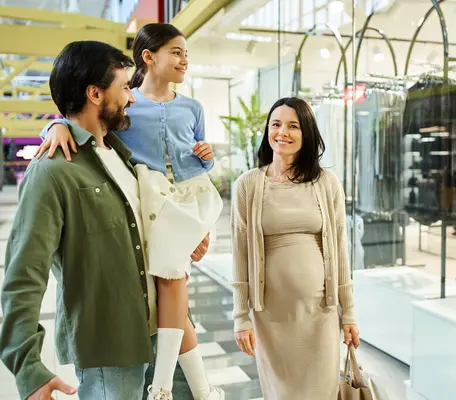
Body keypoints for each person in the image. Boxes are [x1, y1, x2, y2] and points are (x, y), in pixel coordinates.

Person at [0, 41, 210, 400]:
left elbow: (142, 226)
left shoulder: (120, 154)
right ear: (95, 93)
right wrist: (28, 367)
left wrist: (183, 239)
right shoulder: (51, 172)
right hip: (110, 349)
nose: (131, 98)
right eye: (125, 87)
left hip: (162, 331)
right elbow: (23, 276)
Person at [231, 97, 360, 399]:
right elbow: (240, 252)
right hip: (271, 317)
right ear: (267, 131)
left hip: (320, 312)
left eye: (293, 126)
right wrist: (240, 316)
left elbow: (340, 248)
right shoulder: (247, 185)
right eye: (276, 125)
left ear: (307, 134)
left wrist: (349, 310)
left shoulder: (326, 182)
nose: (282, 133)